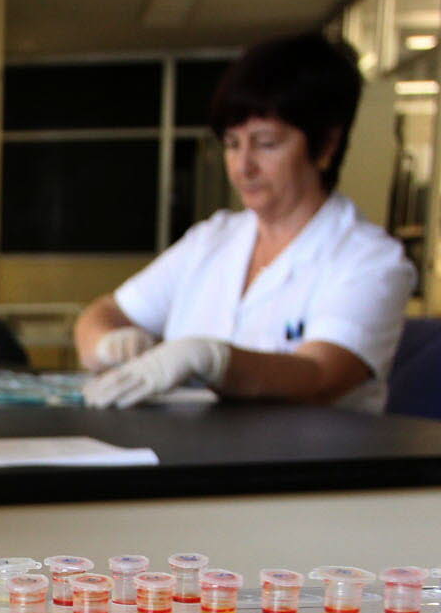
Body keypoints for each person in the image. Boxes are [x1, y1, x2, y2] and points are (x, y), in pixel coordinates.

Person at [77, 32, 413, 413]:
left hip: (301, 451)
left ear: (326, 146)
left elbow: (320, 377)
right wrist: (109, 343)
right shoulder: (212, 239)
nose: (243, 167)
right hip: (187, 445)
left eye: (266, 143)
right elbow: (102, 313)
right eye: (233, 144)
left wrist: (213, 359)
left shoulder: (369, 260)